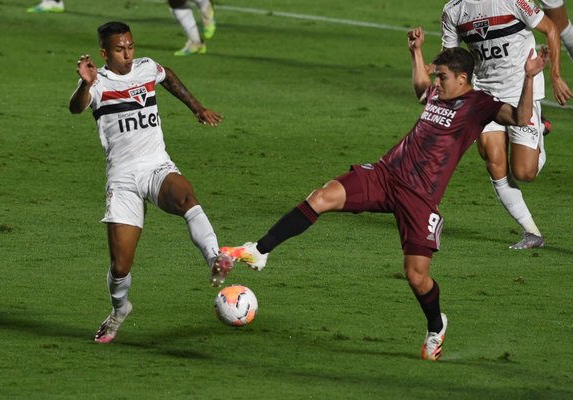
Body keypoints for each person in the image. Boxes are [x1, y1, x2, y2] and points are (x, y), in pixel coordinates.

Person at [221, 28, 547, 361]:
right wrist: (415, 52)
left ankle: (436, 326)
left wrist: (530, 78)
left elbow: (520, 118)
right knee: (320, 197)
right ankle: (259, 250)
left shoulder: (479, 105)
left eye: (443, 77)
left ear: (463, 79)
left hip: (419, 198)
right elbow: (422, 87)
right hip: (385, 174)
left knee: (415, 276)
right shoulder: (436, 93)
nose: (437, 82)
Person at [69, 21, 233, 343]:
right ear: (105, 52)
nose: (128, 54)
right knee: (120, 265)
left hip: (156, 165)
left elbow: (167, 74)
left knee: (187, 198)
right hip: (124, 178)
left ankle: (216, 257)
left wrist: (196, 107)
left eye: (131, 46)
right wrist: (84, 84)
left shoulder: (145, 68)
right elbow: (76, 108)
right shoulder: (97, 82)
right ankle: (119, 310)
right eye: (120, 49)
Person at [441, 0, 572, 250]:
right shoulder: (452, 10)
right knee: (492, 159)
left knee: (524, 172)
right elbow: (451, 58)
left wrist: (555, 75)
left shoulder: (512, 1)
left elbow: (551, 30)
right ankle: (531, 232)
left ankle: (539, 129)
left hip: (521, 89)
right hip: (484, 94)